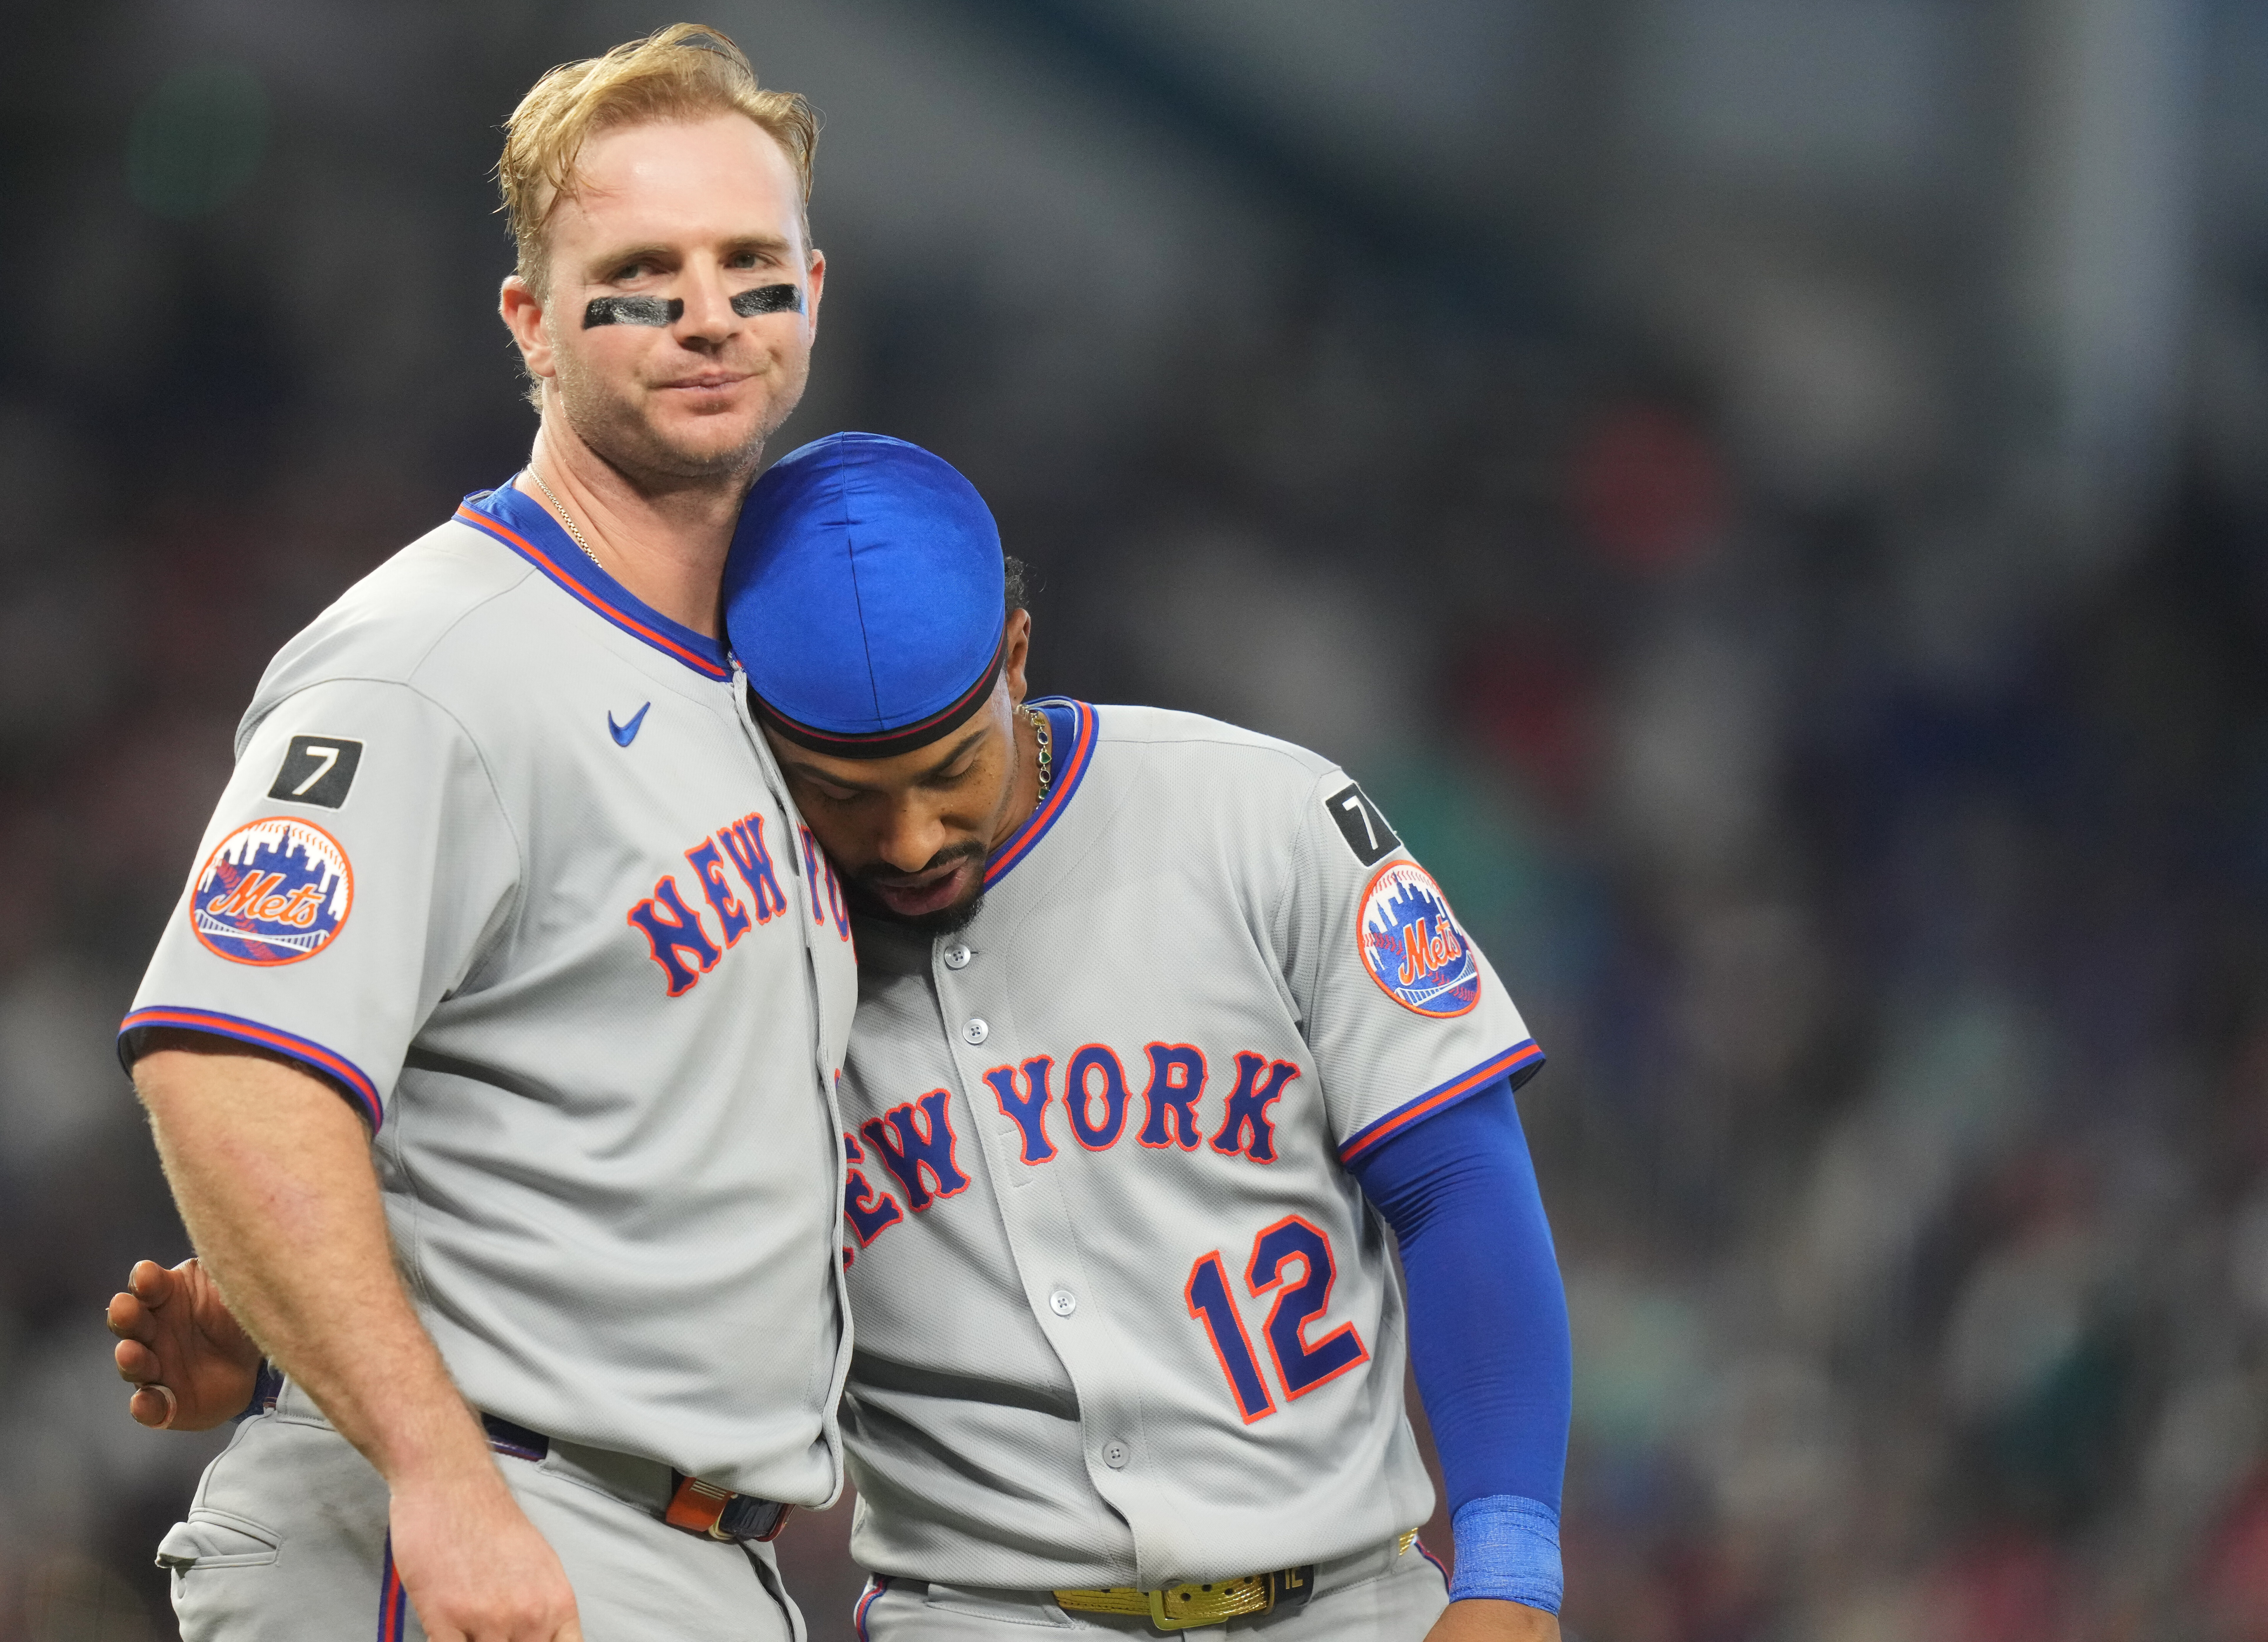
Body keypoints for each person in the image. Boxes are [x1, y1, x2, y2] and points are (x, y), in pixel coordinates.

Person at [117, 435, 1573, 1640]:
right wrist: (306, 1372)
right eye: (850, 794)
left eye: (952, 771)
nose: (913, 836)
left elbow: (1455, 1183)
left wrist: (1507, 1558)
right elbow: (588, 1230)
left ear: (1017, 653)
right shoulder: (736, 938)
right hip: (980, 1617)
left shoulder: (1260, 820)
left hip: (1349, 1607)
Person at [110, 28, 858, 1642]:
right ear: (530, 318)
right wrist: (441, 1473)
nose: (709, 312)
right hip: (470, 1523)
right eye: (643, 273)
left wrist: (269, 1308)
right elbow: (228, 1065)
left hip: (681, 1549)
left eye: (749, 265)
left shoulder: (771, 684)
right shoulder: (433, 659)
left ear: (814, 289)